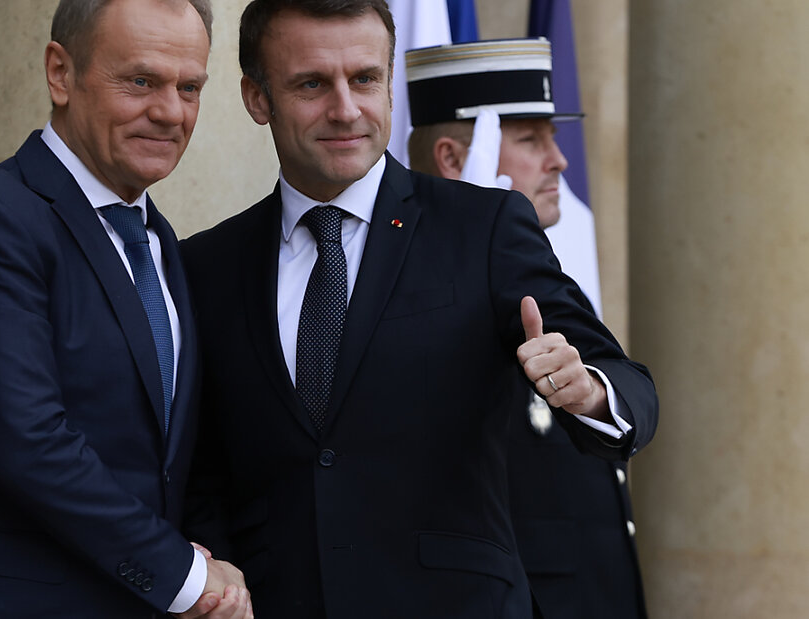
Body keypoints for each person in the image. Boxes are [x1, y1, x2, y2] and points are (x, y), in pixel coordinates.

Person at [180, 2, 657, 617]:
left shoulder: (482, 228)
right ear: (257, 97)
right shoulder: (205, 266)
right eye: (311, 84)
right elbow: (204, 469)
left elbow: (625, 383)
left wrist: (587, 389)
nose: (346, 109)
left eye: (365, 79)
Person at [0, 1, 252, 617]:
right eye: (140, 81)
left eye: (189, 87)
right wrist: (188, 576)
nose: (170, 111)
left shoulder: (161, 247)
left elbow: (167, 466)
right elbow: (29, 444)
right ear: (60, 72)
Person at [405, 38, 648, 619]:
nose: (559, 161)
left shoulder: (539, 275)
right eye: (531, 140)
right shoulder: (423, 284)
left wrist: (591, 388)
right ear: (454, 158)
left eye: (554, 137)